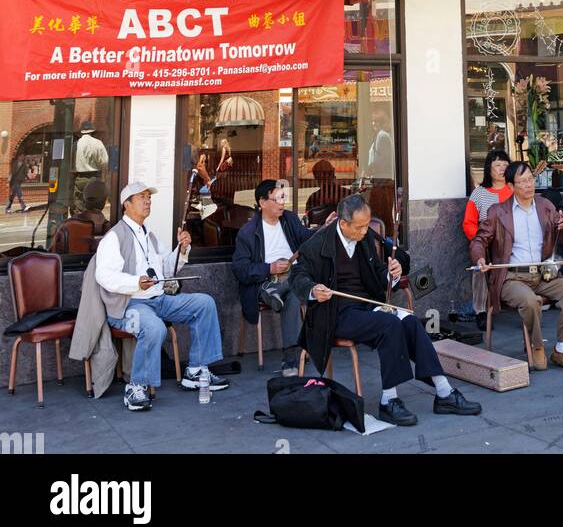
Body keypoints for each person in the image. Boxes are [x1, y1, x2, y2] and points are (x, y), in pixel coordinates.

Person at [289, 192, 482, 426]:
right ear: (343, 223)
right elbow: (297, 276)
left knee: (410, 321)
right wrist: (313, 290)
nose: (364, 232)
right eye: (359, 227)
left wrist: (391, 274)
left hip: (366, 305)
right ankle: (388, 401)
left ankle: (444, 392)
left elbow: (377, 276)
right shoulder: (317, 244)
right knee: (390, 325)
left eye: (366, 226)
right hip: (334, 312)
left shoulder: (365, 237)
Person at [95, 181, 229, 411]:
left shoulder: (150, 235)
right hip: (129, 305)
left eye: (149, 197)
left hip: (159, 299)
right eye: (141, 197)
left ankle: (196, 370)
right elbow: (104, 276)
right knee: (154, 327)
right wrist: (134, 282)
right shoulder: (114, 237)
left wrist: (182, 249)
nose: (148, 201)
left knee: (204, 304)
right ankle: (136, 387)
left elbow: (167, 271)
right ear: (126, 205)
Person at [470, 160, 563, 372]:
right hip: (512, 277)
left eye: (531, 179)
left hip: (543, 274)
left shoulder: (545, 206)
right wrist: (480, 259)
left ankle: (562, 348)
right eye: (522, 182)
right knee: (530, 301)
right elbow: (479, 240)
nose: (529, 185)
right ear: (511, 187)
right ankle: (537, 345)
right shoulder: (498, 211)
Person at [232, 178, 317, 374]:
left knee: (295, 290)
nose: (282, 203)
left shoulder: (289, 219)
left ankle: (276, 294)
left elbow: (306, 238)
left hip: (294, 275)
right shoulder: (248, 232)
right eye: (277, 198)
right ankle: (290, 359)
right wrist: (269, 268)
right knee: (293, 293)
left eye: (283, 198)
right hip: (264, 280)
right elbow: (240, 269)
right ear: (262, 203)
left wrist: (324, 229)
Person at [462, 149, 513, 324]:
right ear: (488, 169)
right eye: (497, 165)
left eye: (506, 165)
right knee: (479, 266)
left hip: (512, 243)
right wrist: (479, 242)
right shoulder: (479, 193)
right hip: (487, 242)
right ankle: (480, 311)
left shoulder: (514, 190)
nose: (502, 169)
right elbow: (468, 223)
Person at [72, 119, 108, 215]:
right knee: (94, 207)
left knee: (79, 207)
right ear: (92, 131)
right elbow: (104, 162)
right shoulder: (98, 143)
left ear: (82, 132)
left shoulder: (76, 144)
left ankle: (81, 225)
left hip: (80, 178)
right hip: (94, 177)